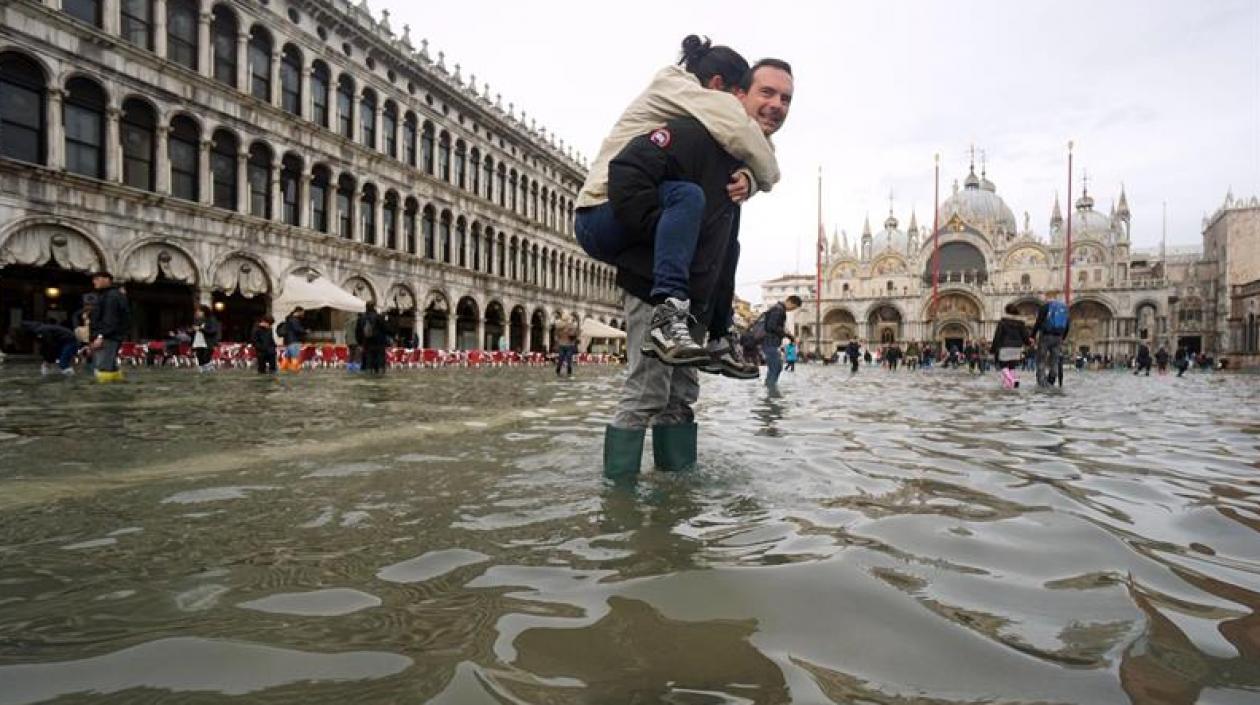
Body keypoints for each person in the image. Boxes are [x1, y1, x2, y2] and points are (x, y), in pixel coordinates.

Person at [601, 56, 794, 477]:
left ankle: (675, 504)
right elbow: (626, 171)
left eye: (786, 98)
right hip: (655, 287)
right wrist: (653, 234)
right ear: (736, 94)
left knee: (681, 396)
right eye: (766, 93)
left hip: (697, 299)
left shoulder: (744, 163)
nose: (777, 104)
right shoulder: (692, 131)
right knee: (646, 391)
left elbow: (726, 245)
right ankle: (619, 514)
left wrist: (718, 317)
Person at [576, 35, 778, 367]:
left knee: (722, 227)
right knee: (688, 196)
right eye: (739, 96)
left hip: (625, 214)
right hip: (603, 211)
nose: (740, 105)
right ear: (717, 84)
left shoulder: (683, 99)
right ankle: (669, 313)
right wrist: (763, 176)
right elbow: (756, 148)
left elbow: (747, 147)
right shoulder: (687, 91)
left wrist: (750, 179)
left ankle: (713, 328)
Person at [87, 271, 129, 383]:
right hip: (111, 336)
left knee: (103, 367)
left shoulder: (111, 296)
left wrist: (100, 336)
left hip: (108, 337)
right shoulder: (110, 295)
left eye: (97, 278)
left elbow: (110, 319)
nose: (94, 281)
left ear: (107, 280)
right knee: (111, 367)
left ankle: (103, 395)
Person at [1031, 291, 1070, 387]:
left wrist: (1032, 335)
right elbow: (1067, 324)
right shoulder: (1064, 308)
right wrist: (1063, 337)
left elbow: (1038, 322)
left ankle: (1041, 382)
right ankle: (1052, 379)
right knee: (1054, 360)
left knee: (1041, 359)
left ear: (1047, 297)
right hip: (1058, 337)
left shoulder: (1045, 307)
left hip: (1045, 336)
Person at [761, 296, 800, 388]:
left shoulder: (778, 309)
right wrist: (786, 334)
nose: (791, 310)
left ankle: (770, 387)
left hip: (772, 342)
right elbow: (772, 326)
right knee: (776, 366)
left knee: (776, 366)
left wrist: (789, 336)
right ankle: (770, 389)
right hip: (770, 342)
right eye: (793, 307)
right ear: (790, 302)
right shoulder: (778, 310)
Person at [991, 303, 1030, 389]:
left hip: (1005, 346)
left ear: (1006, 311)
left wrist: (993, 349)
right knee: (1012, 366)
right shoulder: (1021, 323)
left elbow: (997, 336)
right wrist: (1028, 343)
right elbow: (1025, 335)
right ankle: (1009, 385)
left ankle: (1013, 380)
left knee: (1003, 366)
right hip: (1017, 347)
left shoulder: (1003, 322)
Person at [356, 302, 390, 373]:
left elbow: (358, 332)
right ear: (374, 307)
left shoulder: (361, 318)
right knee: (380, 364)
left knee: (368, 364)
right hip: (379, 344)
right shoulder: (379, 317)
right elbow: (386, 329)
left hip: (367, 344)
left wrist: (360, 343)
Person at [190, 304, 222, 372]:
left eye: (199, 311)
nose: (197, 313)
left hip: (208, 343)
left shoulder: (211, 319)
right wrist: (192, 330)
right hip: (198, 343)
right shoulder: (198, 320)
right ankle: (203, 373)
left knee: (206, 359)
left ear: (204, 311)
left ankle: (209, 371)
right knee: (200, 359)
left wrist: (200, 329)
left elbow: (212, 331)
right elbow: (195, 330)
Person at [278, 307, 306, 372]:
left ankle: (283, 370)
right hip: (294, 341)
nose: (303, 314)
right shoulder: (295, 320)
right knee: (295, 357)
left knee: (287, 357)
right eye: (303, 312)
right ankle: (295, 372)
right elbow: (297, 329)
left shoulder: (288, 319)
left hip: (288, 341)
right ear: (299, 312)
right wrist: (305, 331)